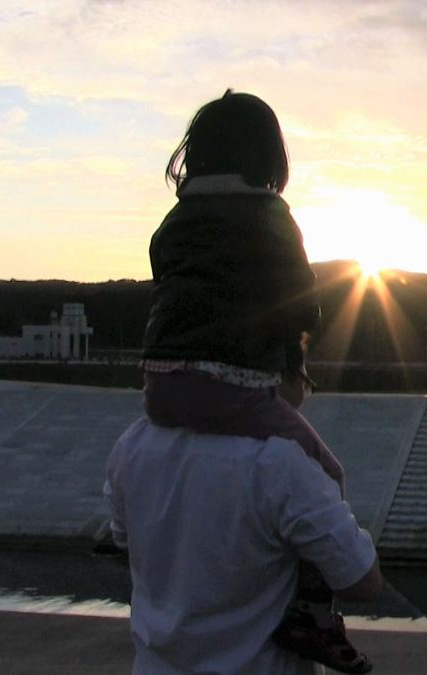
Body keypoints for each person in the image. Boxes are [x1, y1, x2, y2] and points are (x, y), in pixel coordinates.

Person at [137, 89, 368, 673]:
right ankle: (313, 619)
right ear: (268, 155)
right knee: (327, 472)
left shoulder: (174, 220)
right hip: (232, 385)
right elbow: (299, 301)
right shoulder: (271, 217)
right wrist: (294, 358)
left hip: (160, 386)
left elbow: (167, 279)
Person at [104, 383, 382, 673]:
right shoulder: (279, 464)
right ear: (272, 379)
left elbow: (124, 542)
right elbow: (362, 581)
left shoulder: (132, 446)